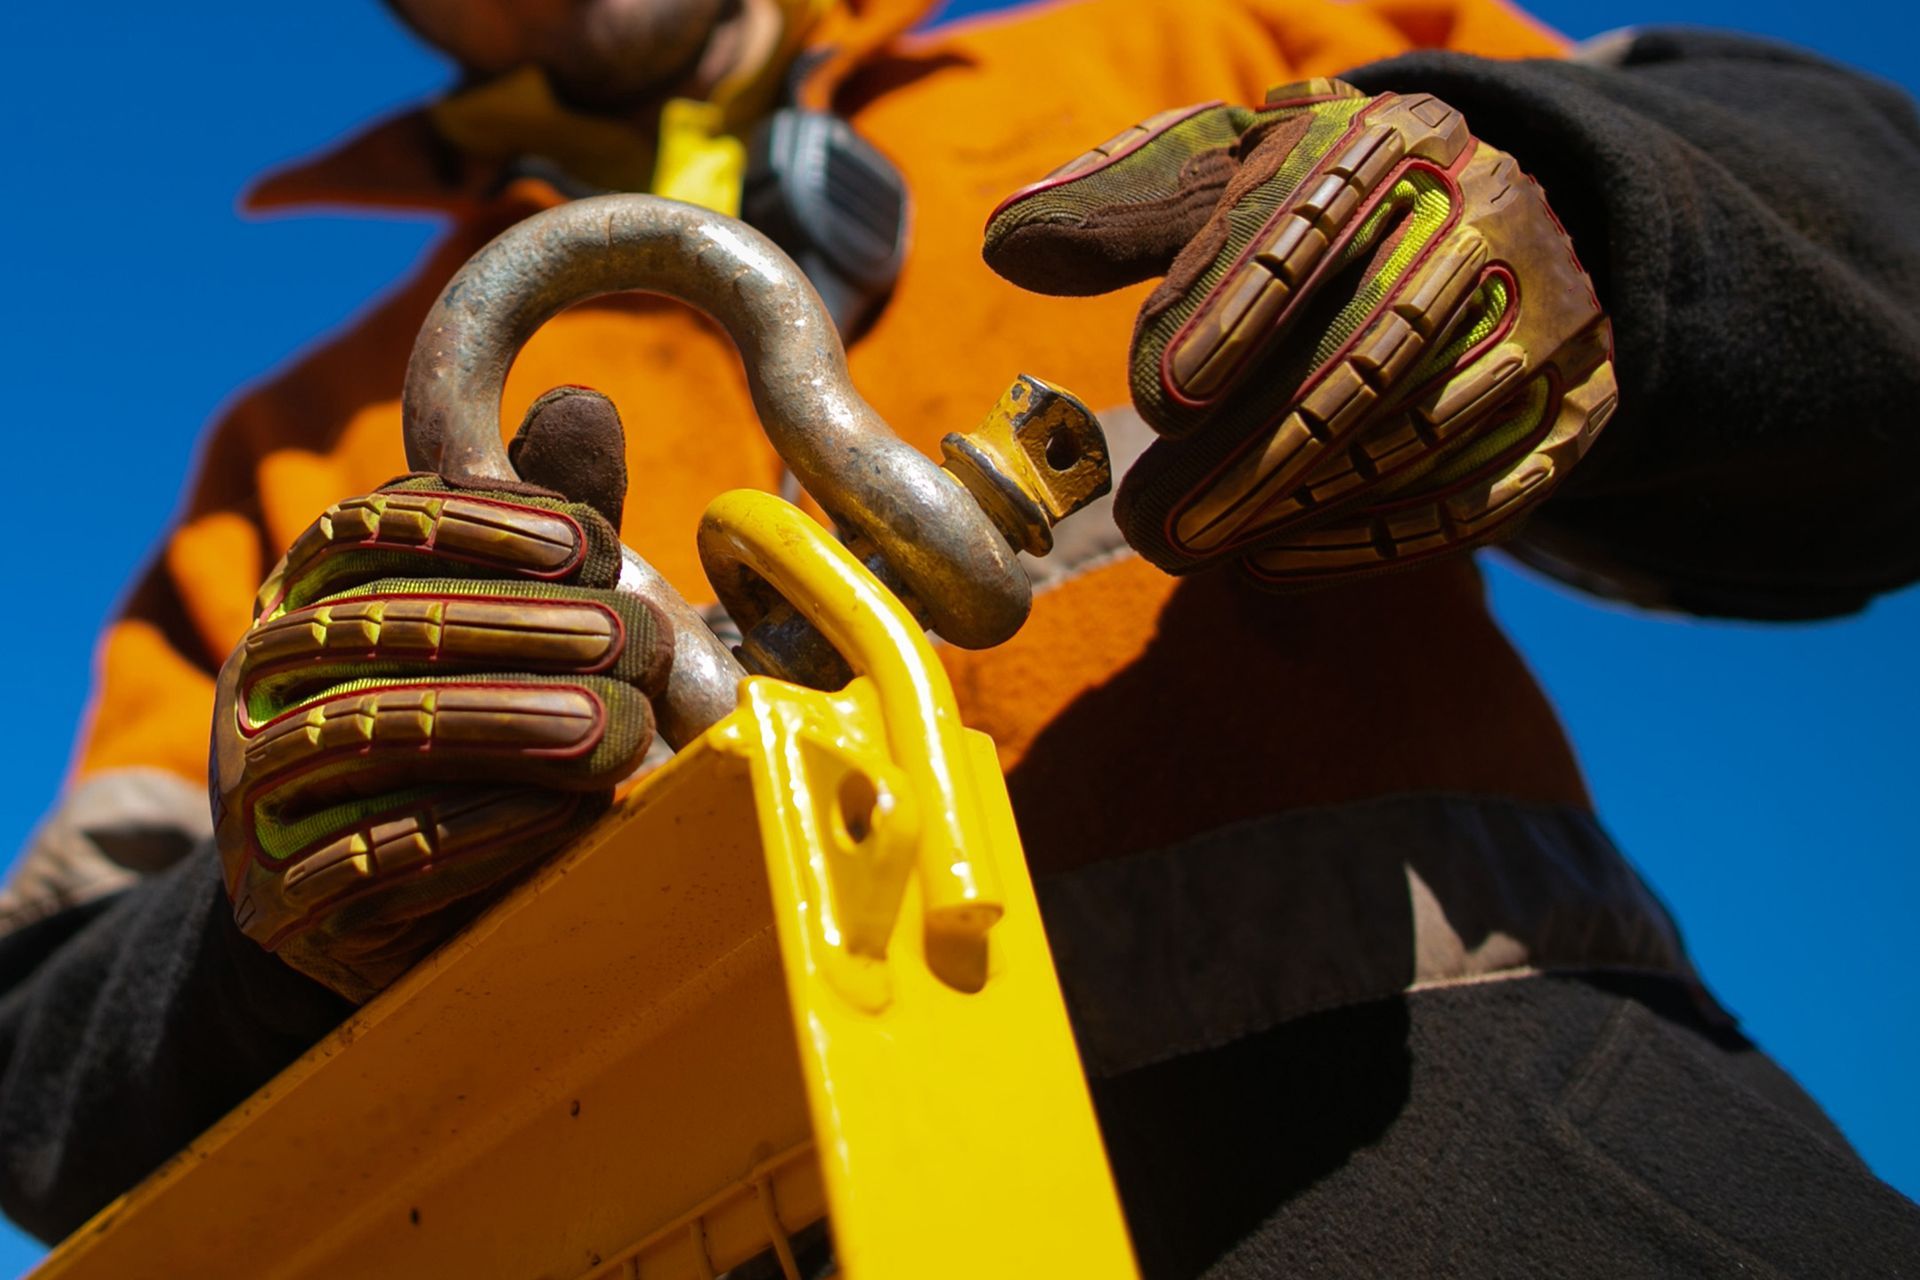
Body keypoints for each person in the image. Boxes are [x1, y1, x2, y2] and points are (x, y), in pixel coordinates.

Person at [4, 0, 1918, 1271]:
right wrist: (286, 915)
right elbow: (47, 1054)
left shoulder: (1191, 36)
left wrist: (1586, 208)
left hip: (1499, 1192)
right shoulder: (300, 457)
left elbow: (1859, 222)